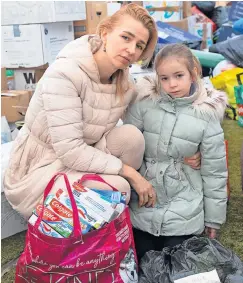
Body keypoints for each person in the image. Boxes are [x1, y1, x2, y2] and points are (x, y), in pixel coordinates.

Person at [4, 4, 199, 219]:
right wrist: (130, 173)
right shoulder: (65, 74)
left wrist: (189, 149)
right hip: (41, 170)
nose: (131, 50)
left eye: (139, 45)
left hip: (83, 157)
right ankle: (78, 231)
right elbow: (70, 150)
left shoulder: (124, 82)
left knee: (131, 138)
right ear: (105, 33)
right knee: (119, 189)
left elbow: (164, 98)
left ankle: (121, 213)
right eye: (126, 37)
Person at [124, 43, 228, 262]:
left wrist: (213, 219)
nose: (171, 84)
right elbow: (128, 146)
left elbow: (215, 172)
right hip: (145, 199)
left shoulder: (207, 115)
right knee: (143, 262)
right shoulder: (144, 103)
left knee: (176, 264)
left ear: (194, 73)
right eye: (164, 78)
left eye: (178, 76)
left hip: (185, 204)